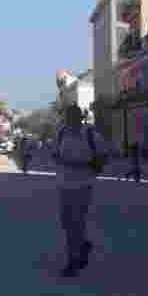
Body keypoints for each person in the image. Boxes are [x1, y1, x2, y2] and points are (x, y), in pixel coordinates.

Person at [52, 104, 111, 278]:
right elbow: (54, 153)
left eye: (73, 116)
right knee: (67, 223)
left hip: (83, 184)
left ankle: (73, 260)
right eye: (68, 116)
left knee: (77, 222)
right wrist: (62, 161)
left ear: (80, 117)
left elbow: (104, 154)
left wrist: (88, 164)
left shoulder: (90, 134)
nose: (70, 120)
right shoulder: (61, 133)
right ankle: (82, 246)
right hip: (64, 184)